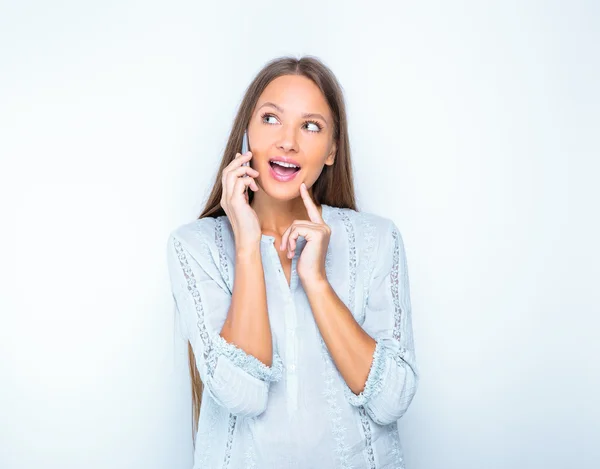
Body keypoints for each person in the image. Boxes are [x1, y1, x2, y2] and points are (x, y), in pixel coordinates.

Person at [166, 55, 419, 469]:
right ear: (245, 134)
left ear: (333, 150)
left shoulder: (377, 239)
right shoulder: (194, 247)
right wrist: (248, 245)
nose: (288, 141)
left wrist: (316, 281)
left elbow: (392, 400)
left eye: (311, 125)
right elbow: (242, 393)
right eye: (271, 119)